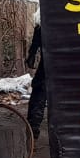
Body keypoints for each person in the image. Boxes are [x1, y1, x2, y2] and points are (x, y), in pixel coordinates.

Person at [26, 9, 48, 139]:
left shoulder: (43, 12)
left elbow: (37, 34)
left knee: (39, 92)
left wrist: (32, 53)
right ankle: (33, 128)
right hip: (56, 61)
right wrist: (32, 53)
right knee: (40, 91)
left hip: (50, 61)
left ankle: (33, 128)